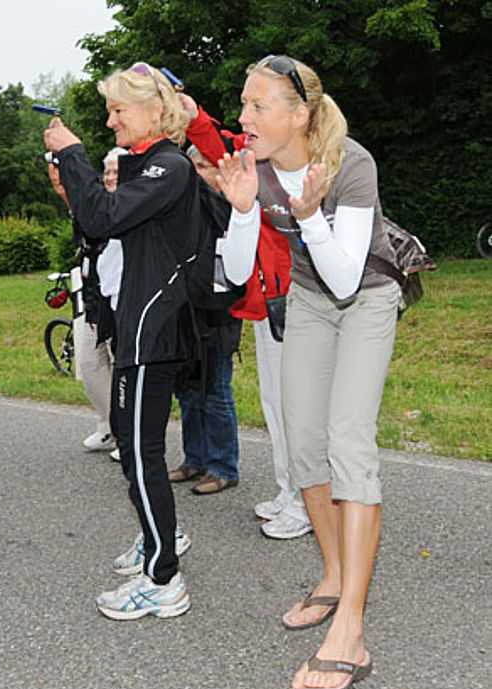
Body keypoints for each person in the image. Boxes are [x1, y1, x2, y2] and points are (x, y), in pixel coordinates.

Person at [215, 55, 400, 689]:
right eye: (245, 104)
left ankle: (350, 626)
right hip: (310, 297)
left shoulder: (351, 163)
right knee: (302, 446)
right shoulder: (256, 169)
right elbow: (238, 274)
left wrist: (311, 211)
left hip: (367, 295)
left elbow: (349, 276)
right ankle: (331, 574)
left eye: (257, 106)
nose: (243, 117)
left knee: (349, 441)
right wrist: (243, 210)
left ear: (300, 115)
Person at [44, 62, 203, 620]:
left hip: (155, 331)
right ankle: (159, 537)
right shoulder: (144, 165)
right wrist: (75, 190)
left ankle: (163, 577)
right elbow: (97, 227)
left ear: (154, 110)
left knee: (143, 453)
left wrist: (73, 154)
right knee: (132, 451)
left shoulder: (170, 166)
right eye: (108, 111)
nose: (110, 121)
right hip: (134, 327)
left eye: (118, 110)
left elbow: (106, 216)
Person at [183, 93, 311, 538]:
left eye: (257, 107)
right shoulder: (257, 157)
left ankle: (309, 502)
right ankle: (289, 491)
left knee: (298, 409)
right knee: (276, 404)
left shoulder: (298, 162)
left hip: (299, 303)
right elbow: (220, 146)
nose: (245, 118)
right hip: (267, 303)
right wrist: (193, 115)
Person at [167, 145, 242, 496]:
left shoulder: (230, 205)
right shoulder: (184, 208)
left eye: (202, 165)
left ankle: (223, 466)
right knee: (187, 389)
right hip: (186, 308)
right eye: (191, 165)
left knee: (216, 390)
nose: (195, 172)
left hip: (219, 311)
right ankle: (194, 457)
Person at [48, 149, 117, 456]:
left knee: (119, 364)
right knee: (89, 364)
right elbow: (81, 213)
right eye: (108, 172)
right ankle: (107, 426)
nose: (111, 177)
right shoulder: (98, 204)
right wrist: (63, 189)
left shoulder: (129, 206)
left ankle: (126, 433)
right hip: (92, 295)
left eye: (117, 171)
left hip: (119, 298)